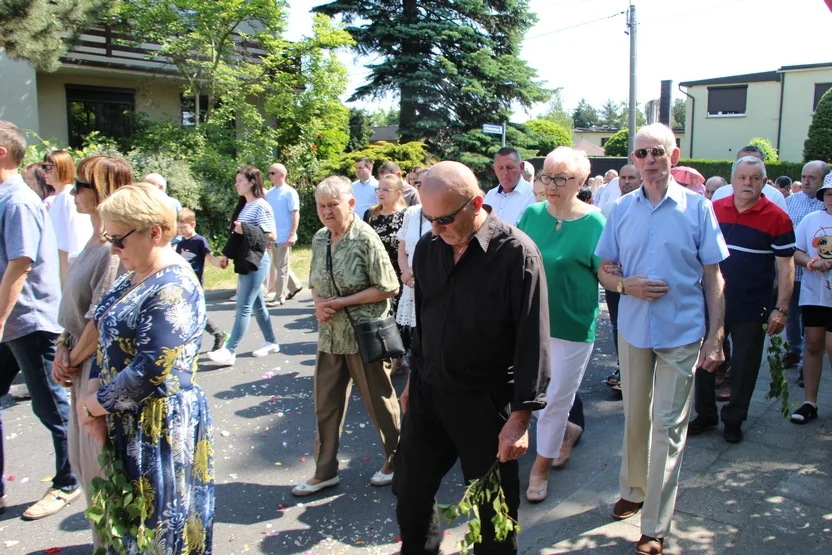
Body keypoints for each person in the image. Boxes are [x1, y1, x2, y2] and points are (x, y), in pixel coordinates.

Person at [394, 161, 550, 554]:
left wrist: (520, 419)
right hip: (430, 391)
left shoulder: (517, 254)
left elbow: (533, 340)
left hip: (486, 401)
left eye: (444, 219)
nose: (434, 229)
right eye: (428, 219)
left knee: (491, 513)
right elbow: (426, 321)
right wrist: (414, 379)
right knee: (411, 490)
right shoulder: (429, 247)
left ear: (476, 203)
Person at [595, 124, 729, 555]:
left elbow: (713, 276)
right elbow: (604, 269)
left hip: (681, 332)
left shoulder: (698, 208)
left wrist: (716, 335)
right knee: (635, 417)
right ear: (633, 160)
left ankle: (654, 525)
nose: (648, 160)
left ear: (673, 155)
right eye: (640, 153)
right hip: (634, 329)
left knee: (668, 427)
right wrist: (623, 287)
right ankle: (633, 488)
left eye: (656, 152)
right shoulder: (620, 210)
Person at [77, 183, 214, 554]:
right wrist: (92, 390)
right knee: (133, 529)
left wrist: (93, 405)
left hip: (159, 426)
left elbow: (151, 369)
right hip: (126, 418)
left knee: (160, 533)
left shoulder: (174, 286)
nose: (113, 248)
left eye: (119, 238)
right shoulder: (132, 274)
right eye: (109, 236)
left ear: (155, 232)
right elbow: (103, 326)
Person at [293, 176, 401, 496]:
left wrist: (340, 303)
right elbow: (315, 280)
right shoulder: (319, 238)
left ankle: (399, 461)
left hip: (363, 334)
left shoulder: (365, 238)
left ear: (350, 204)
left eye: (333, 205)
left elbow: (389, 286)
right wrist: (318, 306)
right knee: (325, 404)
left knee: (379, 401)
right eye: (321, 206)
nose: (326, 211)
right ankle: (325, 470)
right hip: (330, 335)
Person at [0, 121, 82, 520]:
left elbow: (20, 263)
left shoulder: (17, 201)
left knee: (52, 407)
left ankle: (69, 481)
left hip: (27, 321)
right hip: (11, 322)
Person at [49, 156, 130, 540]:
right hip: (78, 360)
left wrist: (71, 358)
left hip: (96, 369)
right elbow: (77, 312)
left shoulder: (112, 250)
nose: (73, 191)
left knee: (100, 468)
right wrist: (63, 347)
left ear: (102, 191)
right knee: (82, 463)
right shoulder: (90, 240)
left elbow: (102, 321)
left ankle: (112, 544)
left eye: (81, 184)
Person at [517, 147, 604, 502]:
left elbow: (608, 275)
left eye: (561, 178)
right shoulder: (532, 214)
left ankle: (540, 468)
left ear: (581, 181)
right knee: (530, 395)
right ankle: (567, 429)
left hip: (572, 325)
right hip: (530, 322)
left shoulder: (596, 222)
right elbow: (514, 261)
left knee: (553, 401)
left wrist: (629, 285)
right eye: (546, 176)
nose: (550, 184)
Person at [689, 156, 795, 443]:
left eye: (754, 178)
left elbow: (786, 266)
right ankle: (706, 414)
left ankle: (734, 419)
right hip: (712, 299)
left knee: (746, 364)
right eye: (742, 177)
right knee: (704, 359)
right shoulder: (713, 209)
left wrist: (781, 308)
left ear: (763, 181)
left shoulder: (777, 217)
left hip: (752, 303)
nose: (747, 183)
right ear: (733, 179)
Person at [206, 167, 281, 366]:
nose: (236, 184)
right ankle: (272, 341)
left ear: (252, 182)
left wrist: (245, 228)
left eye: (240, 180)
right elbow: (236, 236)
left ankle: (230, 351)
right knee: (257, 305)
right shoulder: (245, 206)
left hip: (257, 260)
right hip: (245, 259)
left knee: (243, 306)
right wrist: (225, 256)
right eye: (236, 180)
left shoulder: (261, 205)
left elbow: (272, 235)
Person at [790, 173, 832, 425]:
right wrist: (814, 263)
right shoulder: (810, 219)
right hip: (814, 294)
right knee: (813, 344)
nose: (831, 199)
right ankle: (810, 401)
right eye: (829, 193)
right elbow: (795, 251)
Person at [783, 161, 829, 372]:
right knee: (792, 316)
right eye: (803, 177)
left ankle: (805, 363)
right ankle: (794, 350)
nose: (806, 181)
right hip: (796, 270)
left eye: (812, 178)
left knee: (811, 325)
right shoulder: (791, 201)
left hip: (821, 279)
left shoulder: (825, 205)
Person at [602, 164, 642, 391]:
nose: (627, 181)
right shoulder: (610, 207)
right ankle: (623, 367)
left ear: (640, 180)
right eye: (623, 177)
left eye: (631, 178)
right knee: (618, 323)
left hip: (638, 278)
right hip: (615, 279)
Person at [364, 174, 409, 373]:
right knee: (377, 316)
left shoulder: (406, 215)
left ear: (398, 194)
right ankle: (383, 357)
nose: (380, 193)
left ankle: (398, 359)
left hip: (397, 274)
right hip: (374, 273)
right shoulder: (370, 214)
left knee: (395, 318)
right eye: (379, 189)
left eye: (385, 190)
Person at [175, 208, 230, 351]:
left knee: (196, 314)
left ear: (193, 224)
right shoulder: (180, 244)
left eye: (184, 227)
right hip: (183, 284)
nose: (181, 230)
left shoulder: (199, 241)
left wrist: (219, 263)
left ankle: (219, 334)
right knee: (188, 314)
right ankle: (188, 344)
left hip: (196, 284)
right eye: (179, 227)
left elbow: (209, 257)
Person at [45, 150, 94, 283]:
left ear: (62, 168)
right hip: (56, 266)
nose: (44, 172)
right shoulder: (56, 198)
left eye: (48, 168)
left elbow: (77, 237)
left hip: (68, 267)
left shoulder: (68, 197)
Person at [264, 163, 303, 306]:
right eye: (269, 173)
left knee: (281, 267)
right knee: (279, 264)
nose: (270, 176)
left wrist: (292, 234)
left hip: (285, 236)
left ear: (282, 174)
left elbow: (295, 214)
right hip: (274, 235)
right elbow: (268, 216)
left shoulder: (289, 192)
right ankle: (295, 286)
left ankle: (279, 297)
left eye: (272, 173)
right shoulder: (270, 193)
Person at [710, 145, 787, 211]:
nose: (748, 166)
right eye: (742, 162)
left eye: (754, 162)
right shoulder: (720, 193)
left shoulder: (775, 196)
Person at [483, 146, 536, 225]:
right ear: (495, 170)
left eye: (509, 167)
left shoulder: (532, 194)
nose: (505, 173)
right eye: (500, 168)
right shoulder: (490, 195)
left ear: (521, 167)